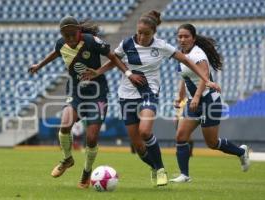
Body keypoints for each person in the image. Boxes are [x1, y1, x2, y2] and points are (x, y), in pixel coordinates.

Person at [81, 10, 221, 187]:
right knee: (139, 146)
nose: (141, 36)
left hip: (149, 92)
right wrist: (98, 72)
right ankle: (154, 167)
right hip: (126, 95)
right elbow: (114, 60)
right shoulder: (127, 44)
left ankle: (161, 169)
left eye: (146, 34)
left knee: (145, 131)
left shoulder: (161, 46)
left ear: (153, 33)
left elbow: (186, 61)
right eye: (139, 32)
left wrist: (206, 80)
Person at [28, 16, 140, 189]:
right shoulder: (61, 43)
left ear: (79, 31)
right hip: (76, 91)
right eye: (67, 36)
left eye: (73, 35)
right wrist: (39, 65)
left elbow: (114, 57)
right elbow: (56, 52)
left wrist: (128, 74)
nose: (71, 39)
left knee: (92, 137)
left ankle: (87, 172)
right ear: (62, 35)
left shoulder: (92, 41)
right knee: (65, 124)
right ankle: (67, 159)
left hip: (98, 93)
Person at [169, 23, 250, 183]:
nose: (182, 39)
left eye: (186, 36)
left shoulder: (198, 54)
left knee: (212, 143)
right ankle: (184, 175)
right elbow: (184, 78)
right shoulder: (181, 54)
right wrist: (180, 97)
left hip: (208, 101)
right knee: (180, 136)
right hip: (194, 102)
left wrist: (198, 97)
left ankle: (240, 152)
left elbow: (204, 75)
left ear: (193, 38)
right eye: (180, 36)